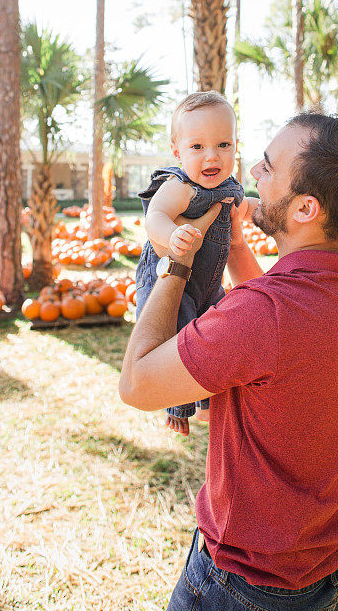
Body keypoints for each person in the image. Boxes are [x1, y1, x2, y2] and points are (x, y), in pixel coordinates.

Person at [120, 113, 338, 611]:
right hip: (327, 564)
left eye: (268, 169)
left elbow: (138, 385)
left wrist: (177, 263)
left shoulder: (261, 317)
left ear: (306, 207)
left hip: (244, 582)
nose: (250, 176)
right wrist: (238, 246)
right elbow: (273, 327)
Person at [134, 91, 258, 435]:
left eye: (223, 145)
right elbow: (154, 216)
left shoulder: (229, 186)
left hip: (208, 283)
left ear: (235, 145)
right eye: (197, 147)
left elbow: (240, 207)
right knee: (181, 330)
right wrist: (171, 234)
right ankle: (178, 406)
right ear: (177, 151)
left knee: (218, 329)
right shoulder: (180, 187)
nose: (212, 157)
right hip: (167, 278)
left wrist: (255, 209)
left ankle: (207, 401)